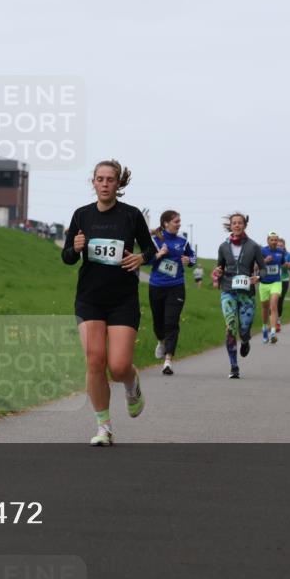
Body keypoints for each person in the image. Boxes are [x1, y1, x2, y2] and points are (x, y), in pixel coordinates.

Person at [62, 160, 155, 445]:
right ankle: (104, 426)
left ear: (118, 184)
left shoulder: (130, 215)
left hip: (123, 299)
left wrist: (140, 258)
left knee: (118, 366)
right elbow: (67, 257)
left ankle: (131, 383)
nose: (104, 184)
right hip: (89, 299)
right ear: (93, 182)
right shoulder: (81, 215)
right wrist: (75, 249)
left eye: (110, 179)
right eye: (99, 179)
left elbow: (149, 248)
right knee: (95, 361)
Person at [212, 213, 261, 379]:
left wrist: (258, 277)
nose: (237, 225)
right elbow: (220, 266)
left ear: (244, 225)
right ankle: (234, 366)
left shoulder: (254, 246)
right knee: (230, 326)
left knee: (245, 327)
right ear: (230, 226)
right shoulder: (223, 246)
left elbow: (264, 268)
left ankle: (246, 340)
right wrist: (218, 271)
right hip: (228, 290)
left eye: (240, 223)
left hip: (246, 293)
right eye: (234, 223)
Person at [148, 210, 196, 375]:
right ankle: (161, 341)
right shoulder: (155, 240)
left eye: (179, 221)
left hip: (176, 286)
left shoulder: (182, 242)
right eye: (176, 221)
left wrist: (189, 260)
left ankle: (168, 361)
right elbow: (146, 260)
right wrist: (158, 254)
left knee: (171, 322)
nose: (179, 224)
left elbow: (193, 257)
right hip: (156, 286)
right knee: (158, 322)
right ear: (165, 223)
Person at [257, 231, 287, 344]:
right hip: (264, 283)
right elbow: (255, 266)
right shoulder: (262, 251)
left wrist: (287, 266)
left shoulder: (281, 252)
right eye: (272, 240)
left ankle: (273, 332)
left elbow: (283, 264)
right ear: (268, 240)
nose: (274, 242)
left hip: (276, 282)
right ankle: (264, 328)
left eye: (275, 240)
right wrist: (264, 261)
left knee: (273, 305)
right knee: (265, 308)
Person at [275, 237, 290, 331]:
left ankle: (278, 321)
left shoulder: (287, 255)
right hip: (272, 279)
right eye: (278, 245)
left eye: (281, 246)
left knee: (279, 300)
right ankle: (272, 321)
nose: (279, 247)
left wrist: (288, 266)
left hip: (284, 280)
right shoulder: (271, 253)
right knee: (272, 300)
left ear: (284, 246)